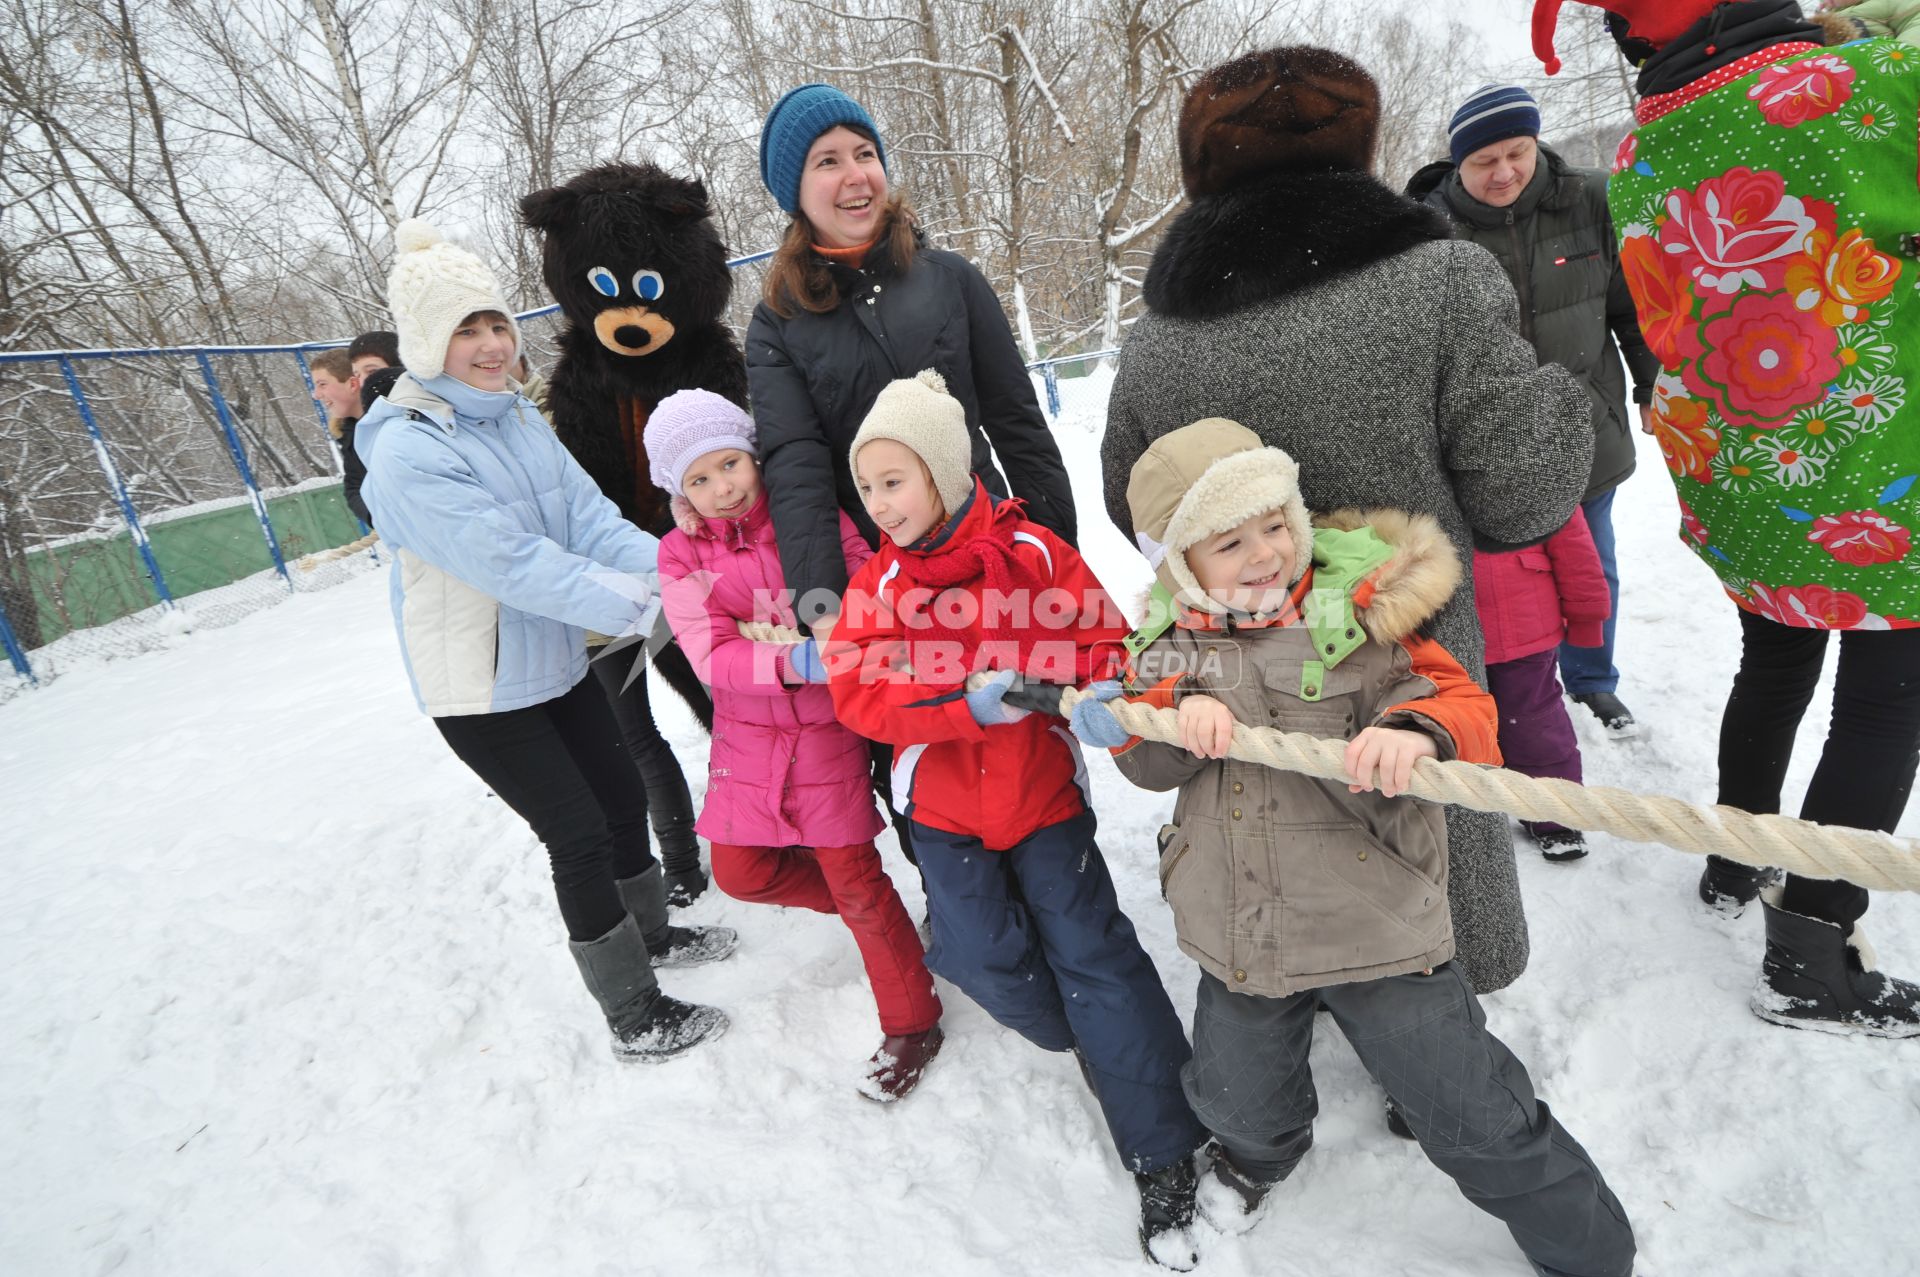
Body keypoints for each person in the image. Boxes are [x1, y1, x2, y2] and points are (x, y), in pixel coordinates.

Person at [1073, 419, 1636, 1277]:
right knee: (1237, 1098)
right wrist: (1172, 722)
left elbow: (1464, 705)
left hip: (1376, 928)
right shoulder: (1172, 648)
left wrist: (1417, 728)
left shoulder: (1363, 616)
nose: (1265, 552)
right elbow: (1147, 765)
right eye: (1230, 541)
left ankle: (1589, 1248)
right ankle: (1259, 1157)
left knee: (1467, 1110)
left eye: (1276, 524)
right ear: (1184, 562)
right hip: (1243, 931)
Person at [1103, 46, 1596, 998]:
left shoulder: (1157, 342)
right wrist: (1561, 398)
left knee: (1277, 869)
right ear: (1358, 150)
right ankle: (1433, 1064)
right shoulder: (1442, 283)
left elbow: (1143, 505)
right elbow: (1523, 496)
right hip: (1405, 680)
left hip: (1239, 693)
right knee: (1436, 921)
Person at [1534, 0, 1920, 1036]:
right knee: (1889, 699)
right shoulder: (1859, 90)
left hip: (1744, 472)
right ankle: (1813, 950)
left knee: (1779, 660)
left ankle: (1734, 857)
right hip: (1878, 470)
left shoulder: (1645, 145)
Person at [826, 372, 1206, 1268]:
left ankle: (1164, 1145)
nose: (879, 504)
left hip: (1042, 801)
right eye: (868, 485)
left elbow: (1105, 639)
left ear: (950, 474)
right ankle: (1075, 1026)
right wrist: (962, 703)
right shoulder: (877, 585)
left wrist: (1113, 685)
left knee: (1096, 954)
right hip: (946, 816)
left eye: (896, 480)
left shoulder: (1033, 553)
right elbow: (857, 690)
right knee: (987, 955)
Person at [354, 219, 735, 1062]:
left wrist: (693, 564)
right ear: (425, 344)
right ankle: (634, 1011)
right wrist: (661, 599)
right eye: (466, 330)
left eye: (495, 323)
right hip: (482, 691)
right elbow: (518, 564)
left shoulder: (516, 421)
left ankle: (655, 938)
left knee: (622, 796)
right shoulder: (408, 454)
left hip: (553, 660)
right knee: (577, 832)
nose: (491, 345)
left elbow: (588, 519)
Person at [747, 83, 1079, 864]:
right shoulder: (778, 322)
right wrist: (821, 601)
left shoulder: (948, 279)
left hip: (988, 546)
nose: (854, 174)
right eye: (827, 161)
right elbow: (794, 463)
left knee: (1023, 715)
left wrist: (1052, 543)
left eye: (865, 154)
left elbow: (1014, 415)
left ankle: (1062, 880)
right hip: (882, 574)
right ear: (796, 192)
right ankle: (957, 893)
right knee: (919, 730)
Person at [647, 388, 943, 1099]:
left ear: (752, 456)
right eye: (699, 479)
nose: (722, 488)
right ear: (677, 489)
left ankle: (913, 1019)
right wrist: (788, 656)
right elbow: (709, 654)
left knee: (853, 873)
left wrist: (816, 645)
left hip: (825, 725)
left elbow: (859, 594)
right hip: (747, 737)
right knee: (742, 871)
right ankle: (887, 928)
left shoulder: (803, 516)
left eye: (729, 465)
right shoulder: (678, 553)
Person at [1406, 85, 1659, 740]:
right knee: (1492, 584)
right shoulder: (1427, 230)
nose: (1504, 173)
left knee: (1591, 567)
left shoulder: (1592, 198)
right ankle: (1503, 687)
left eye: (1516, 152)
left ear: (1536, 143)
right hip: (1483, 447)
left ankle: (1593, 680)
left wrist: (1650, 381)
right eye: (1483, 161)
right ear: (1458, 165)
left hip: (1584, 429)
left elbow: (1633, 305)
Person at [1474, 510, 1611, 861]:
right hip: (1439, 628)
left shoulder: (1529, 464)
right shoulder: (1415, 463)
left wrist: (1586, 615)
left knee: (1534, 726)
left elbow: (1573, 544)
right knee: (1455, 727)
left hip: (1522, 626)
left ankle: (1554, 814)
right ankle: (1461, 815)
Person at [309, 348, 371, 526]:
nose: (316, 394)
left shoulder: (396, 422)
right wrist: (378, 518)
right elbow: (353, 488)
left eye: (322, 384)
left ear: (352, 384)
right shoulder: (349, 433)